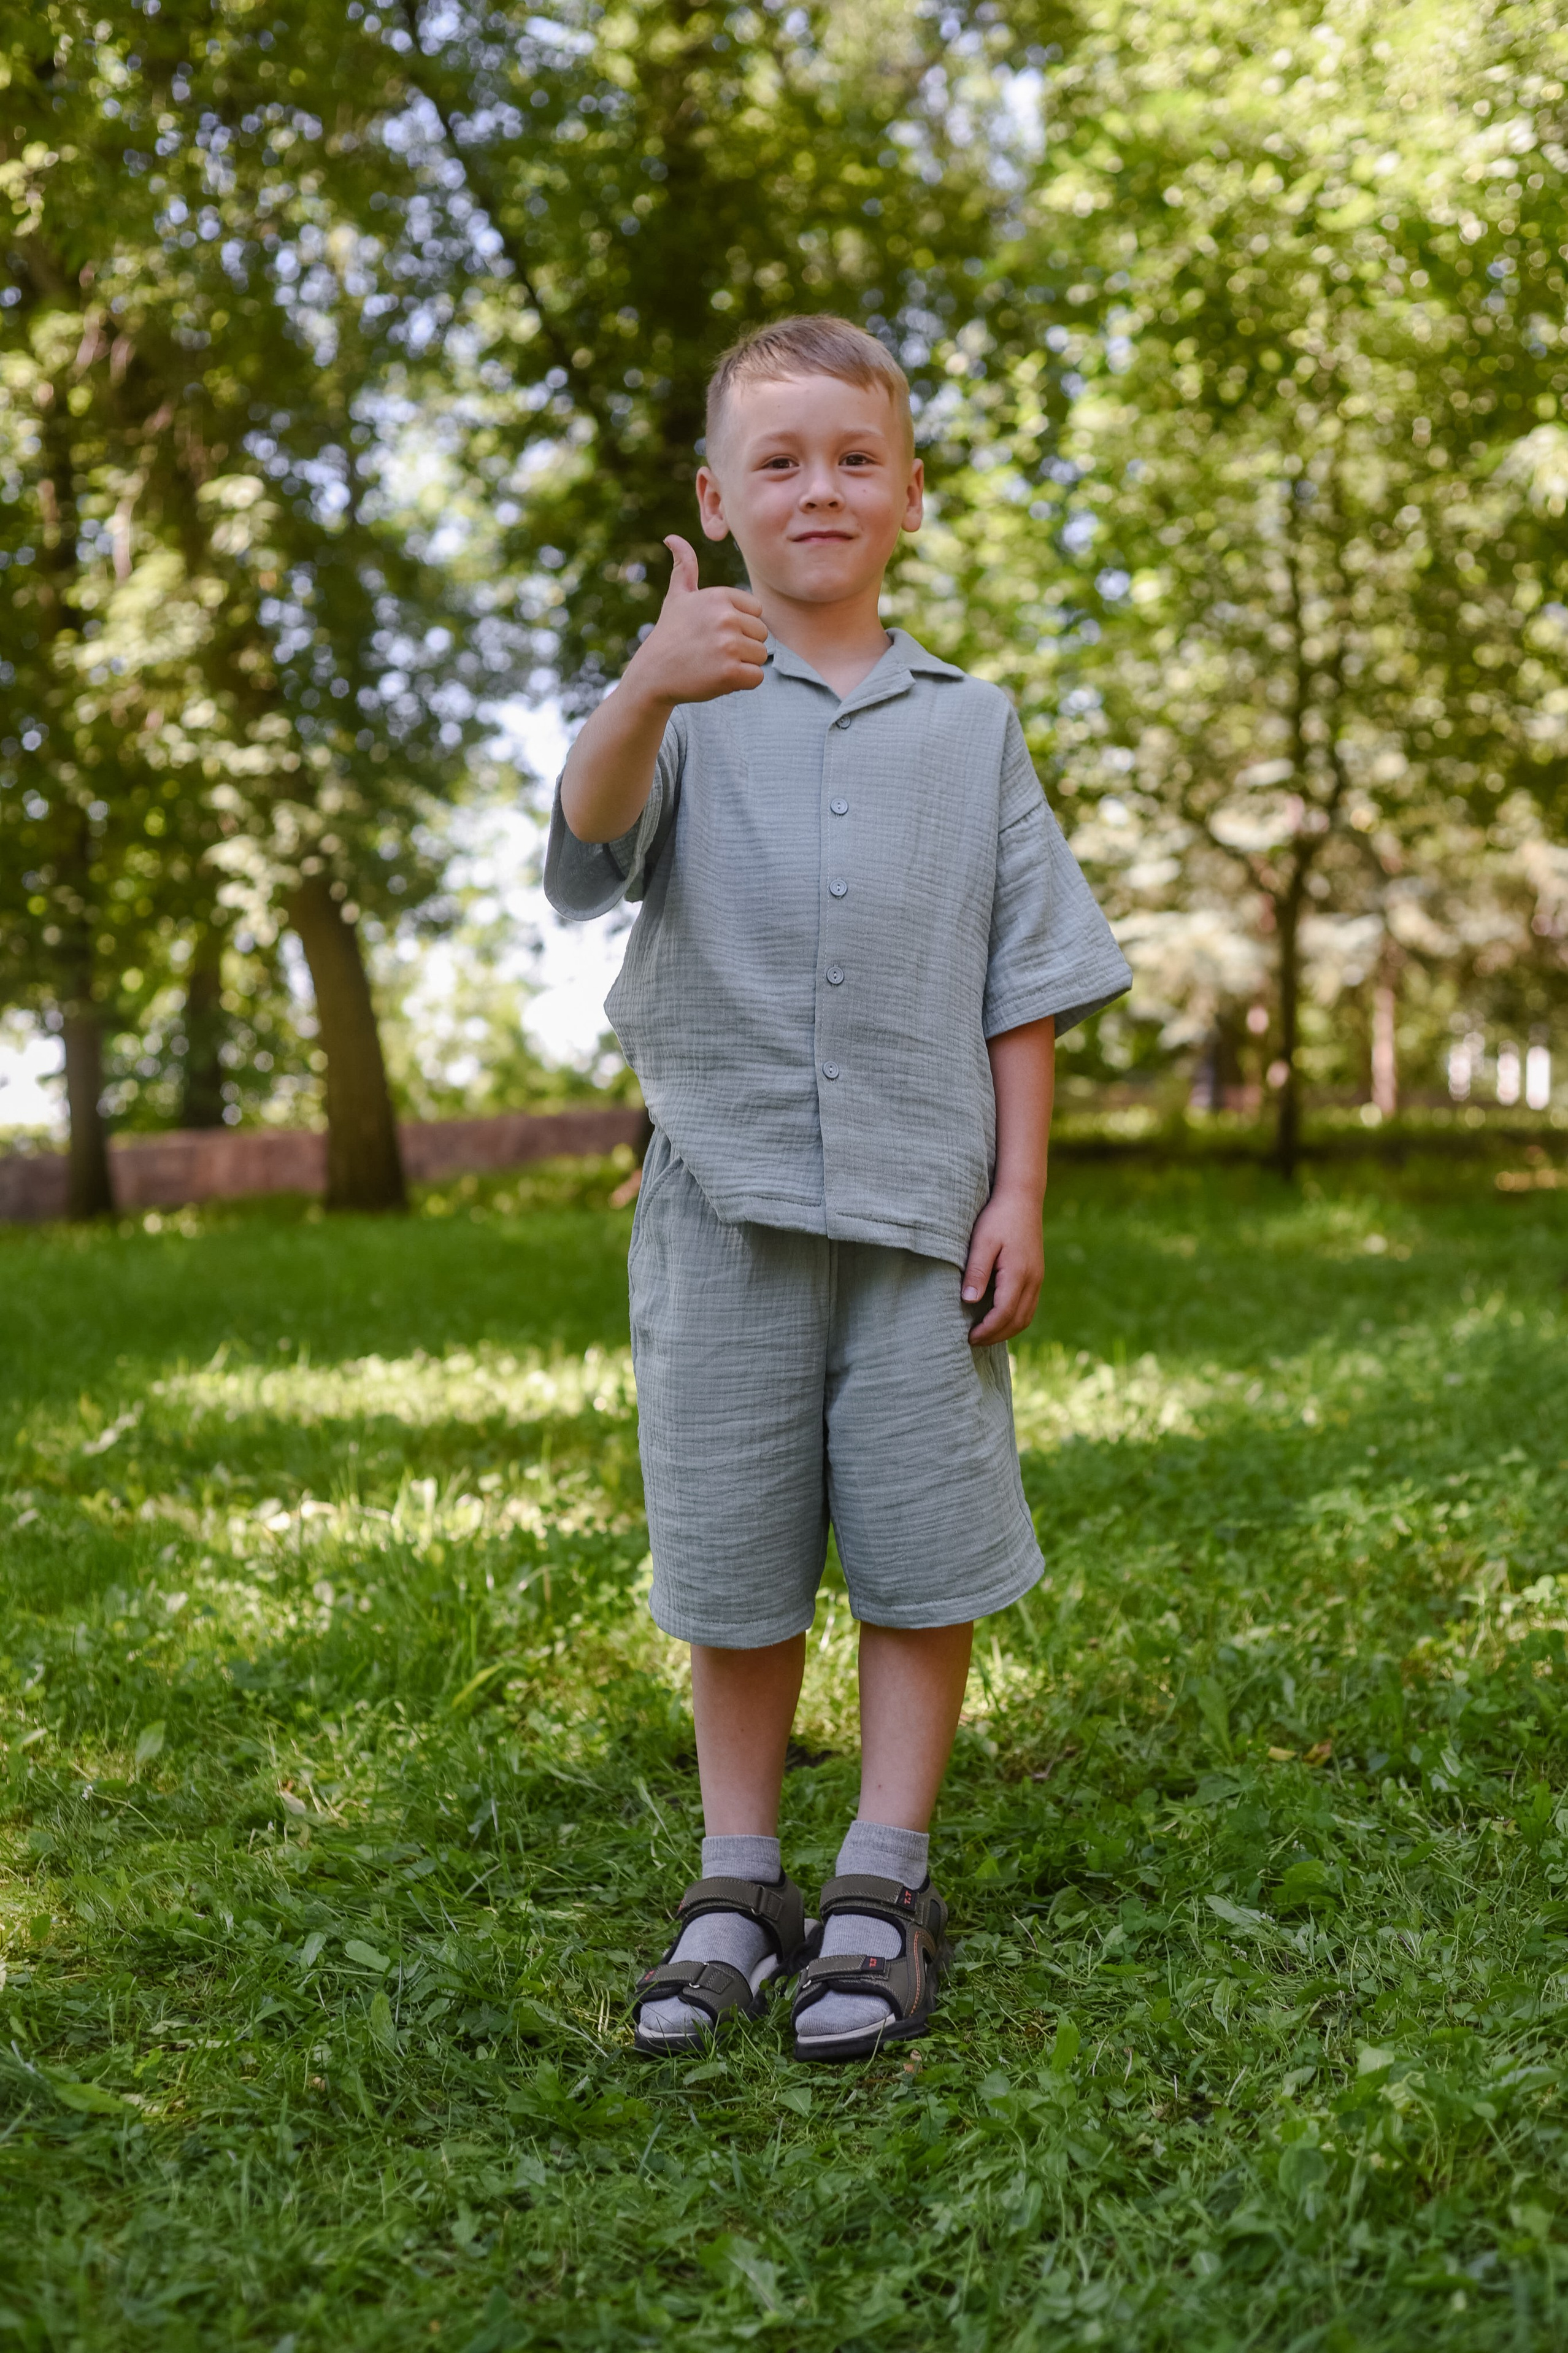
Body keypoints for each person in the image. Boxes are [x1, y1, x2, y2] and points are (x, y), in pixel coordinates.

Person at [545, 315, 1130, 2062]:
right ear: (719, 503)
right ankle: (740, 1874)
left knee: (916, 1545)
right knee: (730, 1556)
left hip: (918, 1215)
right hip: (718, 1208)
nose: (820, 487)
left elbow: (1022, 976)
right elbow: (584, 857)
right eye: (779, 463)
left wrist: (1019, 1187)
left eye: (853, 458)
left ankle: (883, 1869)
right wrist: (644, 684)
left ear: (912, 499)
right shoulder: (682, 712)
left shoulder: (976, 726)